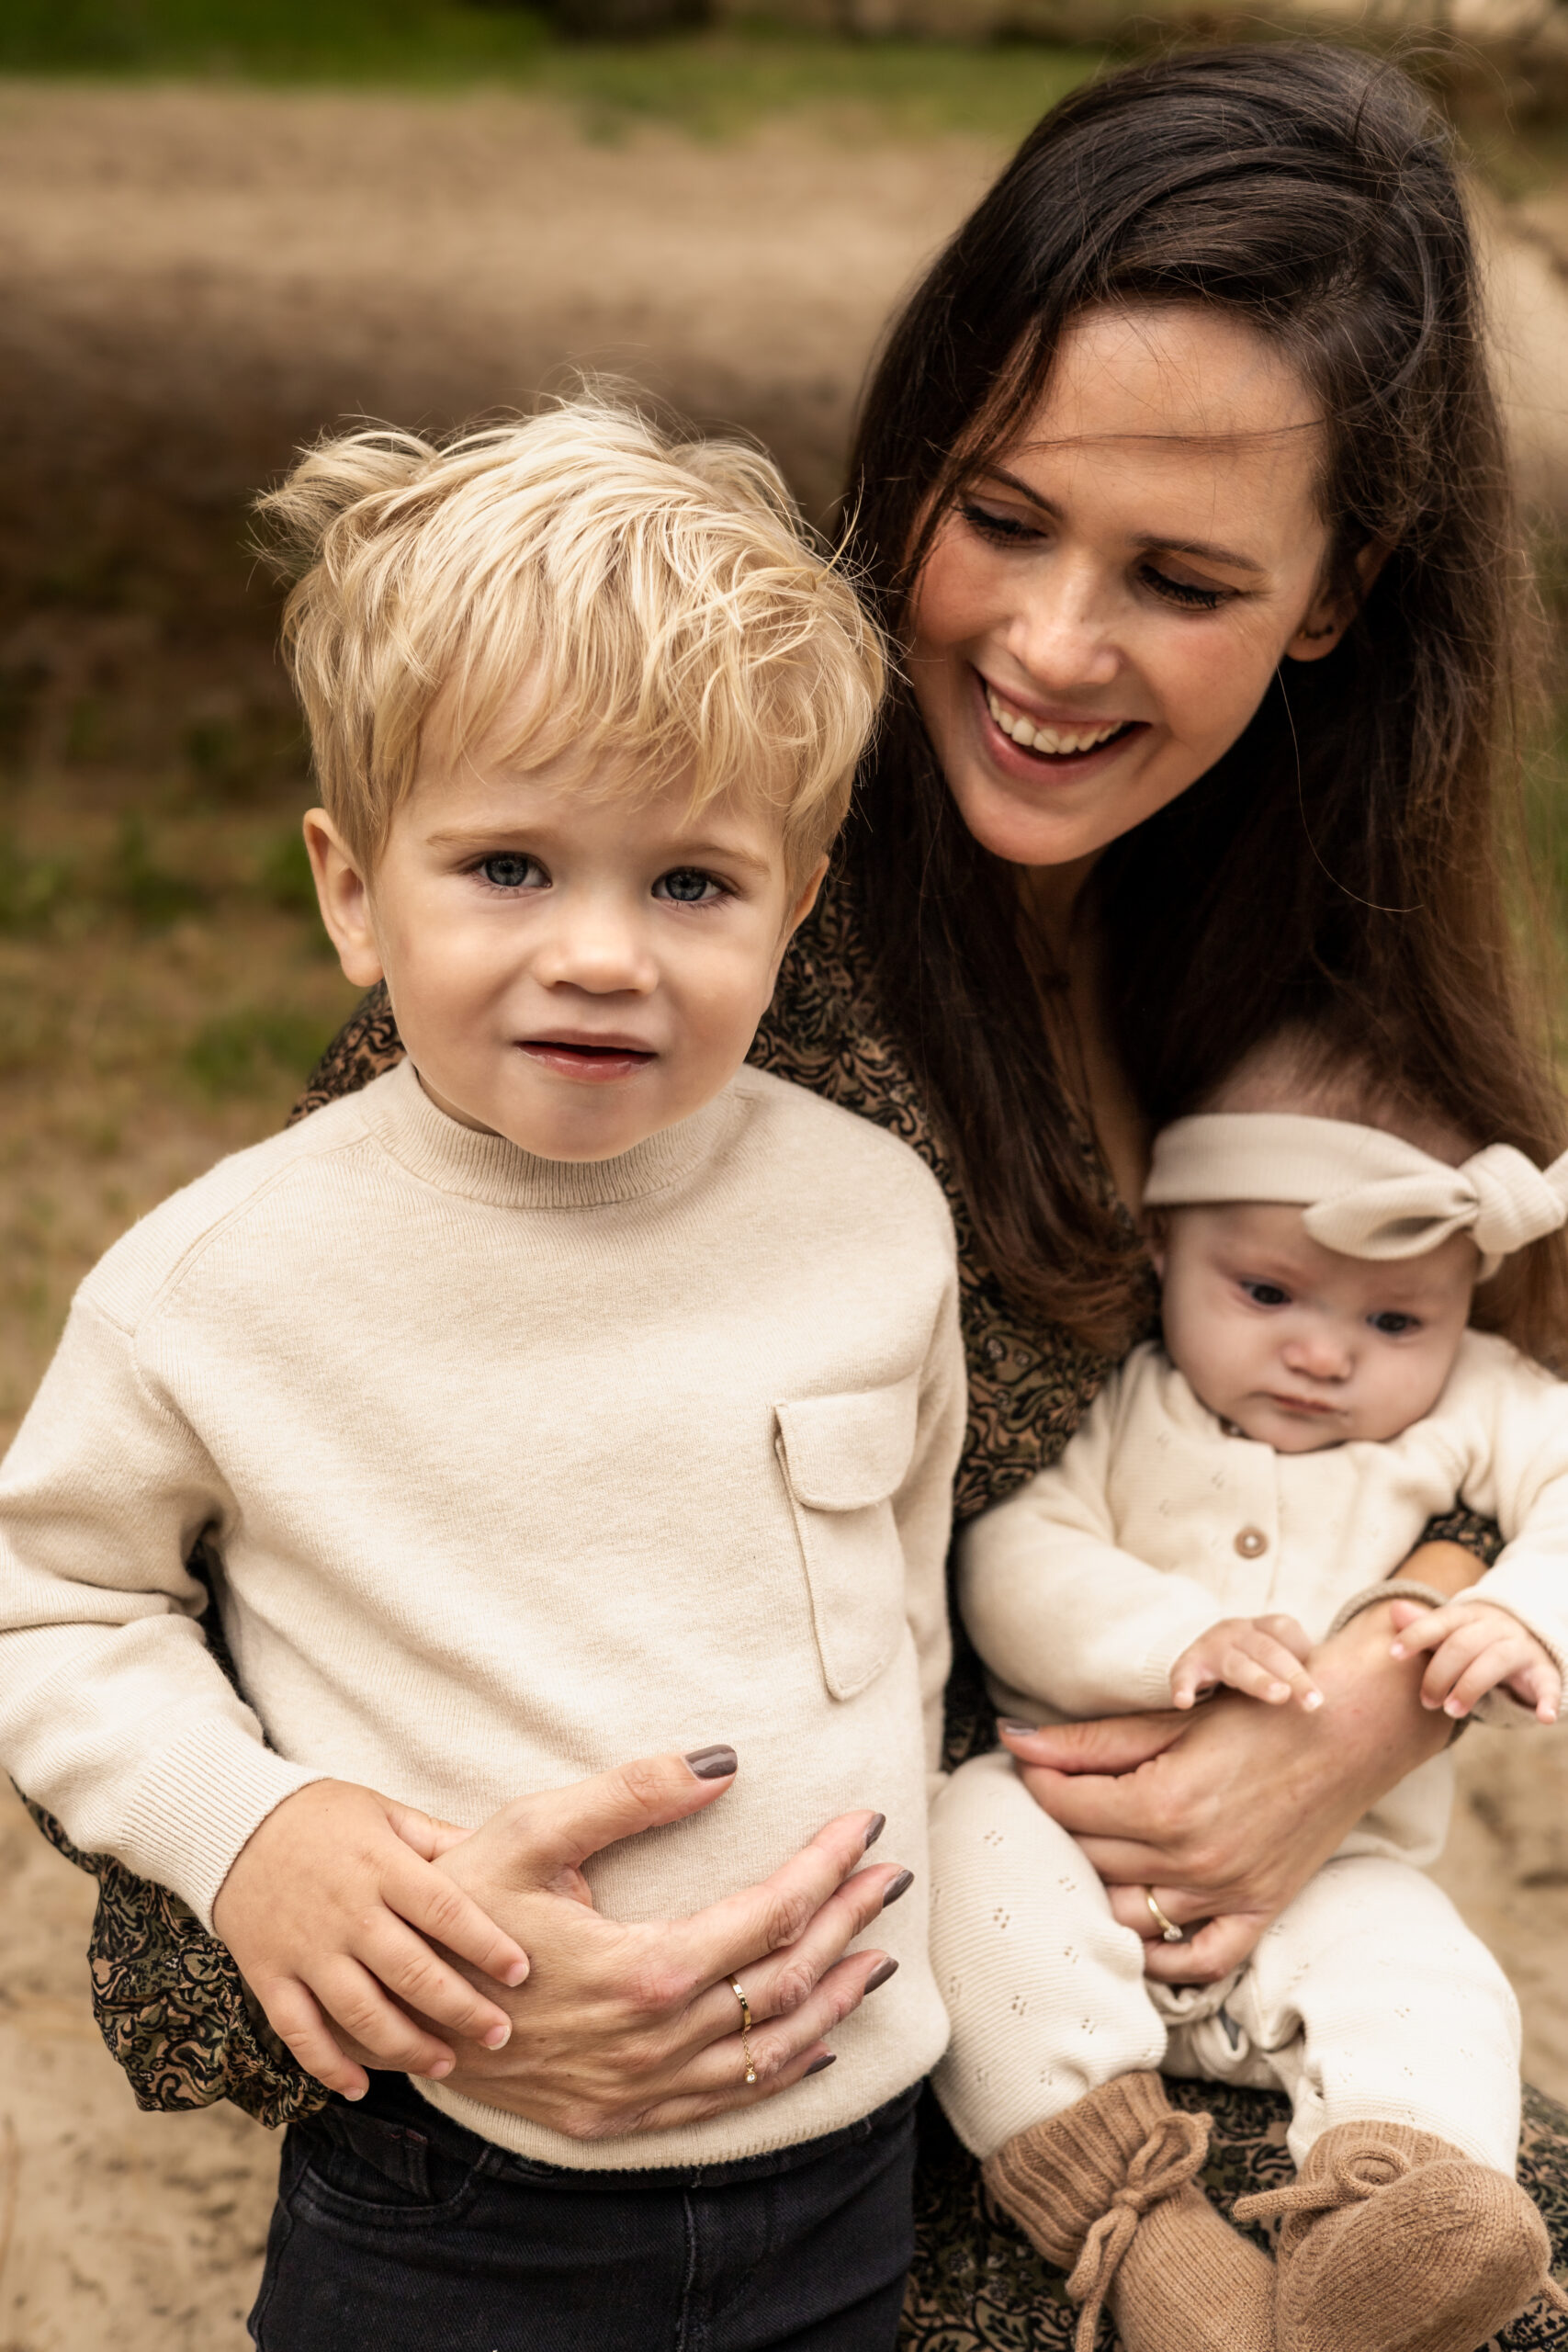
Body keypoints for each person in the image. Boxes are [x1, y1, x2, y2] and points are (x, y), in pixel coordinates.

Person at [18, 40, 1568, 2346]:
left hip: (1176, 1976)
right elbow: (189, 1671)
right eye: (1001, 516)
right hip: (727, 2072)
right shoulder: (657, 973)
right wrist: (436, 1974)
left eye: (1174, 574)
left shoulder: (1323, 999)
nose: (1049, 646)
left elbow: (1497, 1418)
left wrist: (1378, 1688)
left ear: (1331, 599)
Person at [0, 396, 968, 2349]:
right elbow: (49, 1602)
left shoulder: (876, 1215)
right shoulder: (223, 1276)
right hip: (450, 2183)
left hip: (849, 2148)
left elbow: (911, 1603)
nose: (601, 952)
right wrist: (249, 1832)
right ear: (353, 884)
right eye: (509, 865)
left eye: (688, 882)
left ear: (792, 899)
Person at [931, 1025, 1568, 2352]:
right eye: (1267, 1293)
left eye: (1395, 1319)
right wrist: (1173, 1641)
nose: (1326, 1355)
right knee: (966, 1868)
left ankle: (1391, 2218)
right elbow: (1014, 1555)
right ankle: (1149, 2244)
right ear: (1165, 1246)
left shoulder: (1477, 1402)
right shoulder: (1122, 1405)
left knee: (1432, 1982)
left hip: (1336, 1867)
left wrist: (1518, 1611)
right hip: (1071, 1827)